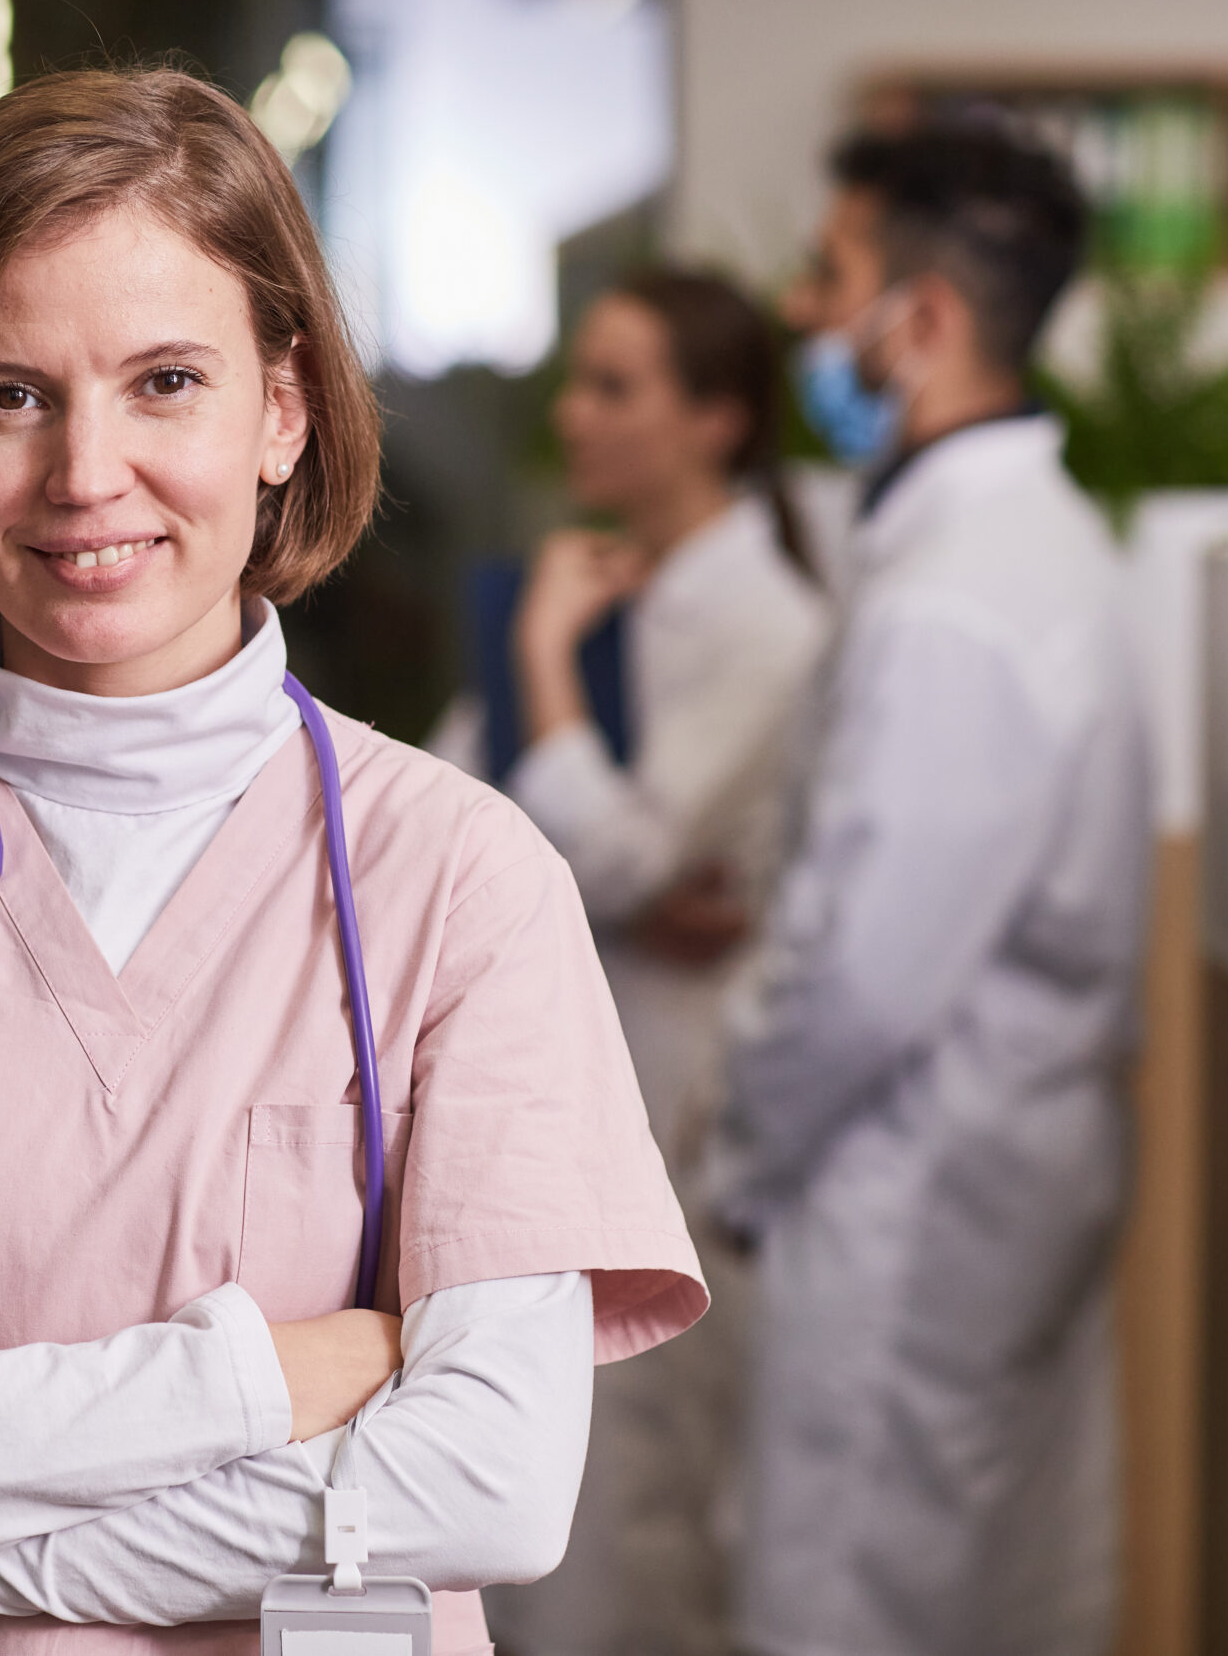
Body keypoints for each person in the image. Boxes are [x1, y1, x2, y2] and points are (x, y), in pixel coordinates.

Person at [0, 68, 705, 1656]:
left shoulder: (459, 878)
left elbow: (491, 1489)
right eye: (11, 395)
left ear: (283, 410)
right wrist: (259, 1379)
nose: (88, 474)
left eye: (166, 382)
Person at [710, 121, 1150, 1656]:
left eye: (832, 276)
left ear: (929, 321)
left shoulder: (958, 606)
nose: (804, 310)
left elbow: (864, 979)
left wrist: (741, 1160)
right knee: (977, 1584)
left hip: (904, 1199)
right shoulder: (1036, 546)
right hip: (994, 1182)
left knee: (847, 1600)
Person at [429, 270, 830, 1656]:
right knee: (546, 1481)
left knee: (641, 1497)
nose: (572, 411)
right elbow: (446, 819)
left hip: (676, 1086)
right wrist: (604, 873)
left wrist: (547, 660)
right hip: (557, 1058)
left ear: (716, 420)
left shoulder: (764, 621)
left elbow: (616, 864)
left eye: (615, 384)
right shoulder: (593, 573)